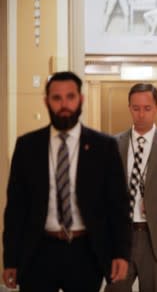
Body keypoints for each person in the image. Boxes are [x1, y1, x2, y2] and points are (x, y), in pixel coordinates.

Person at [2, 71, 131, 292]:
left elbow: (118, 205)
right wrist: (10, 260)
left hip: (86, 251)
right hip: (38, 251)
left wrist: (120, 253)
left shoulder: (104, 147)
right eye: (57, 98)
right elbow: (15, 208)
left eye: (70, 97)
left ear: (81, 100)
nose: (64, 105)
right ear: (46, 101)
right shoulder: (27, 146)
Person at [104, 83, 157, 292]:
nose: (141, 114)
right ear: (129, 108)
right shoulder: (113, 145)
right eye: (136, 108)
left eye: (147, 108)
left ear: (156, 109)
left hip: (156, 240)